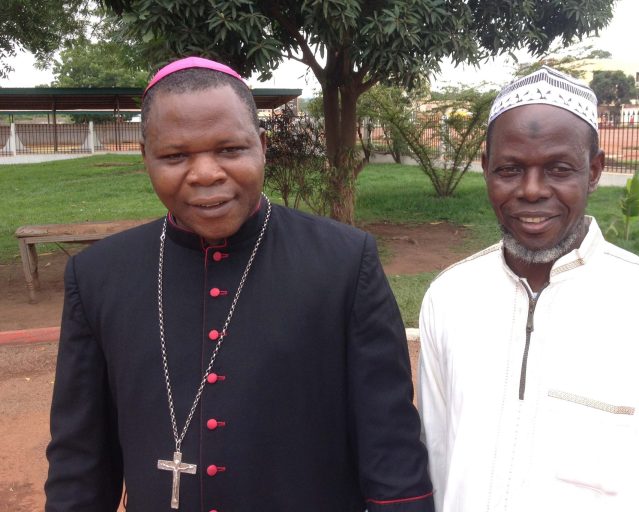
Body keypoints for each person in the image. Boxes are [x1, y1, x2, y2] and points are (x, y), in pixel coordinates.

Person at [45, 57, 434, 512]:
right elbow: (80, 462)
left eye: (230, 149)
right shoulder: (98, 275)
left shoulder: (345, 262)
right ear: (145, 157)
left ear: (262, 146)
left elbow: (390, 446)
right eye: (175, 156)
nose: (206, 173)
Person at [418, 66, 639, 511]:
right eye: (510, 169)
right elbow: (438, 459)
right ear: (485, 169)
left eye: (559, 169)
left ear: (594, 171)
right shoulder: (449, 299)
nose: (531, 190)